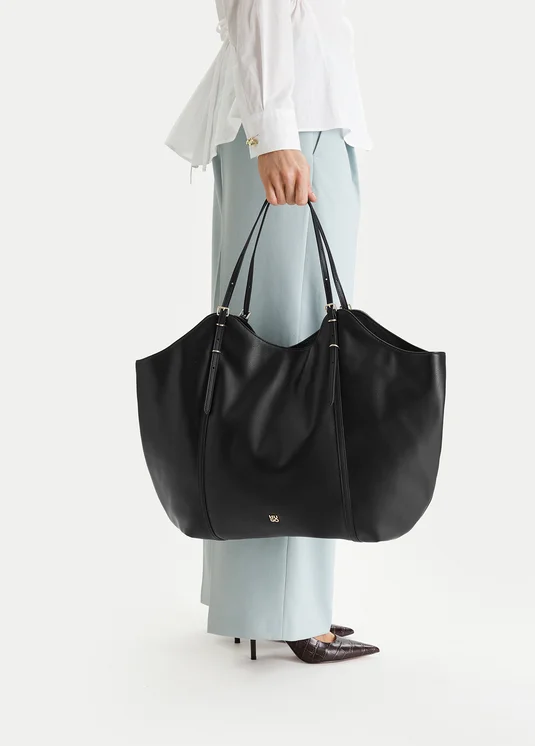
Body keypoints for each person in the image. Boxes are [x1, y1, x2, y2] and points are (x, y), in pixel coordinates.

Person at [165, 0, 379, 664]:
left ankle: (257, 597)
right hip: (294, 129)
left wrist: (270, 130)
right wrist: (275, 133)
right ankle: (289, 609)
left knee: (258, 360)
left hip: (292, 125)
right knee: (293, 363)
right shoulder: (282, 130)